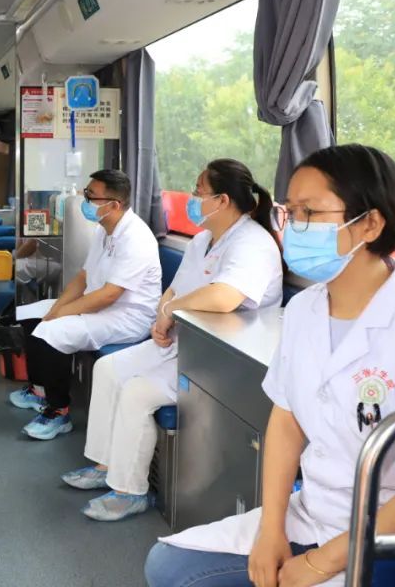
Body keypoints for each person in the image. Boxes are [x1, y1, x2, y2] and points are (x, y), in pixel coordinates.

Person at [145, 144, 395, 587]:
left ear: (370, 223)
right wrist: (271, 529)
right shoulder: (305, 309)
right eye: (290, 212)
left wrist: (321, 562)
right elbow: (286, 421)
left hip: (392, 537)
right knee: (166, 565)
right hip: (314, 511)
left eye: (310, 212)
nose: (295, 226)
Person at [61, 159, 283, 522]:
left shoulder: (253, 243)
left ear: (223, 200)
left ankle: (130, 492)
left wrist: (170, 311)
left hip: (220, 360)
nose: (193, 199)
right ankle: (105, 465)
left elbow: (225, 297)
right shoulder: (202, 240)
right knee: (108, 368)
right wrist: (161, 317)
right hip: (182, 342)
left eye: (199, 192)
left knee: (136, 392)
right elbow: (176, 288)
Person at [9, 169, 162, 441]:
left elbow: (109, 295)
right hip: (99, 305)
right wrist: (55, 309)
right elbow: (83, 277)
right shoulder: (104, 230)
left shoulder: (136, 237)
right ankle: (39, 391)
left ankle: (59, 412)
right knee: (30, 315)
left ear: (114, 205)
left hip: (126, 317)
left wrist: (59, 315)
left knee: (51, 332)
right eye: (86, 193)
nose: (85, 200)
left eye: (91, 196)